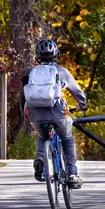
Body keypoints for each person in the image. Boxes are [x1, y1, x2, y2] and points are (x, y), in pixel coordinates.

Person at [21, 38, 87, 188]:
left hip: (35, 113)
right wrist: (83, 105)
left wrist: (24, 113)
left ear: (37, 56)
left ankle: (40, 158)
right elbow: (78, 92)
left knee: (43, 136)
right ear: (56, 54)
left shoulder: (30, 73)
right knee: (67, 139)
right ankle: (72, 175)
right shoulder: (62, 71)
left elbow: (22, 95)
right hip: (57, 112)